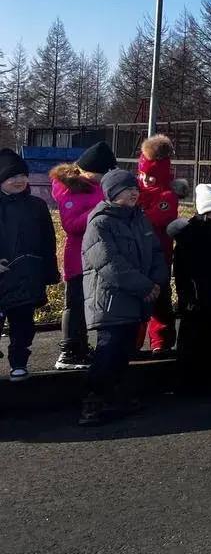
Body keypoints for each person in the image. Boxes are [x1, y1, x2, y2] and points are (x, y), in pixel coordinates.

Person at [79, 168, 168, 426]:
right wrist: (144, 286)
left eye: (134, 189)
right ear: (111, 193)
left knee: (123, 351)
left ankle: (116, 397)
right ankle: (92, 401)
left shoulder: (139, 219)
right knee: (108, 351)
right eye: (126, 190)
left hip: (136, 297)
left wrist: (157, 280)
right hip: (110, 299)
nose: (133, 193)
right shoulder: (100, 223)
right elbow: (108, 263)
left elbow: (155, 252)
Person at [49, 140, 116, 370]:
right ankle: (68, 350)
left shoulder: (98, 186)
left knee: (89, 304)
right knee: (75, 303)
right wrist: (99, 210)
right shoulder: (71, 188)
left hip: (97, 254)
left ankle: (81, 346)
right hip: (77, 257)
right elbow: (71, 226)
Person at [170, 184, 211, 391]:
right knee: (193, 339)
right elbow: (182, 269)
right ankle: (189, 381)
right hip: (197, 295)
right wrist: (186, 295)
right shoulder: (191, 233)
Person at [0, 149, 59, 382]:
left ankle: (19, 363)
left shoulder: (36, 205)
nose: (19, 181)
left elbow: (48, 240)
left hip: (27, 274)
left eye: (23, 175)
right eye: (12, 177)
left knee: (23, 324)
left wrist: (48, 271)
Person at [137, 134, 181, 355]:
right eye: (142, 174)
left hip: (159, 255)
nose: (145, 180)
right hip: (137, 256)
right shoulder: (136, 192)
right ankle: (133, 340)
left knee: (160, 298)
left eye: (151, 176)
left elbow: (156, 218)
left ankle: (161, 340)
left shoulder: (167, 196)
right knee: (138, 298)